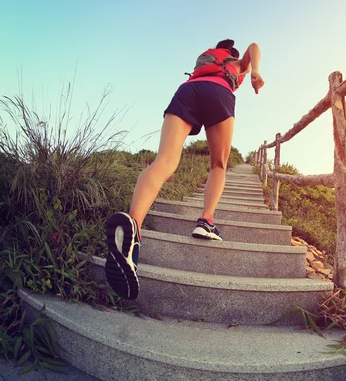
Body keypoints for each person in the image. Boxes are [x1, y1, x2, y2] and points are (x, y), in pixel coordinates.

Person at [103, 39, 264, 300]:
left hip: (187, 91)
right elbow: (254, 45)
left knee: (164, 161)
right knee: (219, 164)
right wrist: (254, 70)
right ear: (231, 55)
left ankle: (133, 230)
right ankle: (206, 221)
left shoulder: (206, 59)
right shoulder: (234, 63)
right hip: (219, 93)